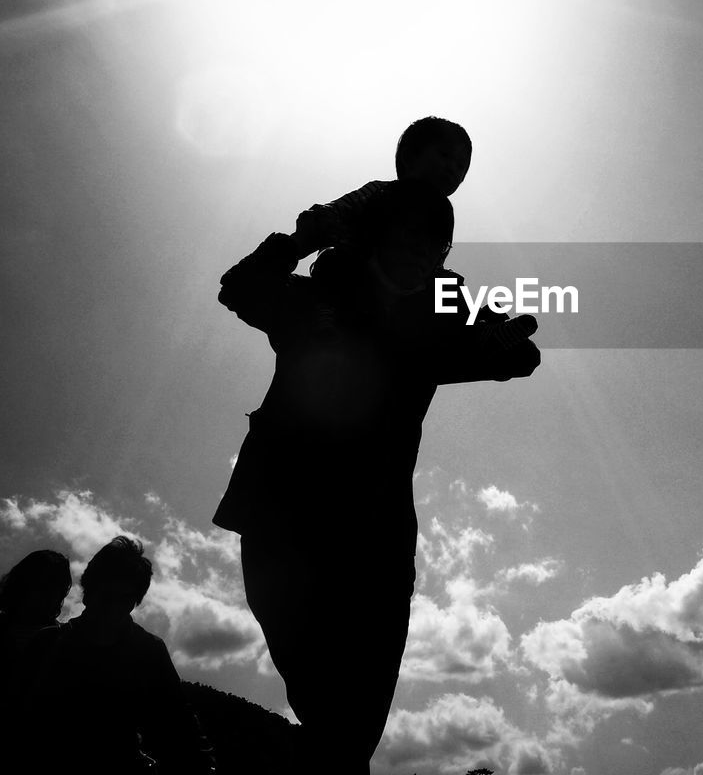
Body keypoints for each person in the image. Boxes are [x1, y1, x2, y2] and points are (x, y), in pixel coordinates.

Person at [213, 180, 538, 773]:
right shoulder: (316, 302)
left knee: (355, 711)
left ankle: (332, 757)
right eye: (412, 241)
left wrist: (490, 333)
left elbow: (512, 357)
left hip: (376, 530)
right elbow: (238, 288)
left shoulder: (435, 320)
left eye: (438, 249)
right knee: (314, 683)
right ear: (376, 242)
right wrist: (303, 237)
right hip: (284, 512)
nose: (425, 256)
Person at [26, 536, 213, 774]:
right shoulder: (47, 644)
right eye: (106, 595)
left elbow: (178, 722)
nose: (113, 607)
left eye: (124, 599)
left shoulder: (149, 651)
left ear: (135, 601)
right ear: (88, 592)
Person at [0, 549, 72, 771]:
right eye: (39, 583)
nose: (43, 594)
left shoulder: (67, 647)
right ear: (22, 584)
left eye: (53, 588)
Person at [290, 115, 472, 259]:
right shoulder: (381, 192)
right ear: (411, 156)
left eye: (460, 166)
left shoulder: (442, 220)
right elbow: (331, 213)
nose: (452, 168)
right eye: (445, 155)